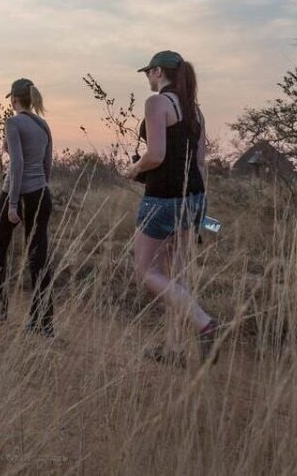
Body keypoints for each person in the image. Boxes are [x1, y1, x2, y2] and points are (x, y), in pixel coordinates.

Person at [126, 50, 219, 364]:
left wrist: (134, 169)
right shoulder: (194, 111)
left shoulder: (156, 103)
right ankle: (174, 350)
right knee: (174, 278)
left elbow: (155, 155)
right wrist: (202, 210)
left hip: (162, 200)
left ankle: (204, 323)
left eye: (147, 73)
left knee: (146, 271)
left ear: (157, 71)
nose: (148, 79)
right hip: (193, 199)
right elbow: (201, 163)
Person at [0, 78, 56, 337]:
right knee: (38, 256)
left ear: (14, 99)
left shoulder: (13, 122)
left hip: (17, 193)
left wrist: (12, 203)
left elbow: (17, 164)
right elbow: (47, 164)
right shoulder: (43, 125)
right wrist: (41, 186)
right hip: (41, 193)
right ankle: (43, 321)